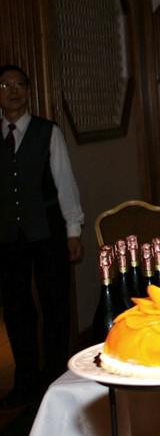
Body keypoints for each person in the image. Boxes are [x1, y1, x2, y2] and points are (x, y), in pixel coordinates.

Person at [0, 64, 84, 408]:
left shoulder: (48, 132)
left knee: (55, 305)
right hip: (7, 235)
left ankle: (55, 377)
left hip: (47, 230)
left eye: (19, 84)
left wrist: (73, 229)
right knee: (16, 308)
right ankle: (25, 381)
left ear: (28, 90)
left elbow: (65, 183)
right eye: (5, 85)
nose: (13, 91)